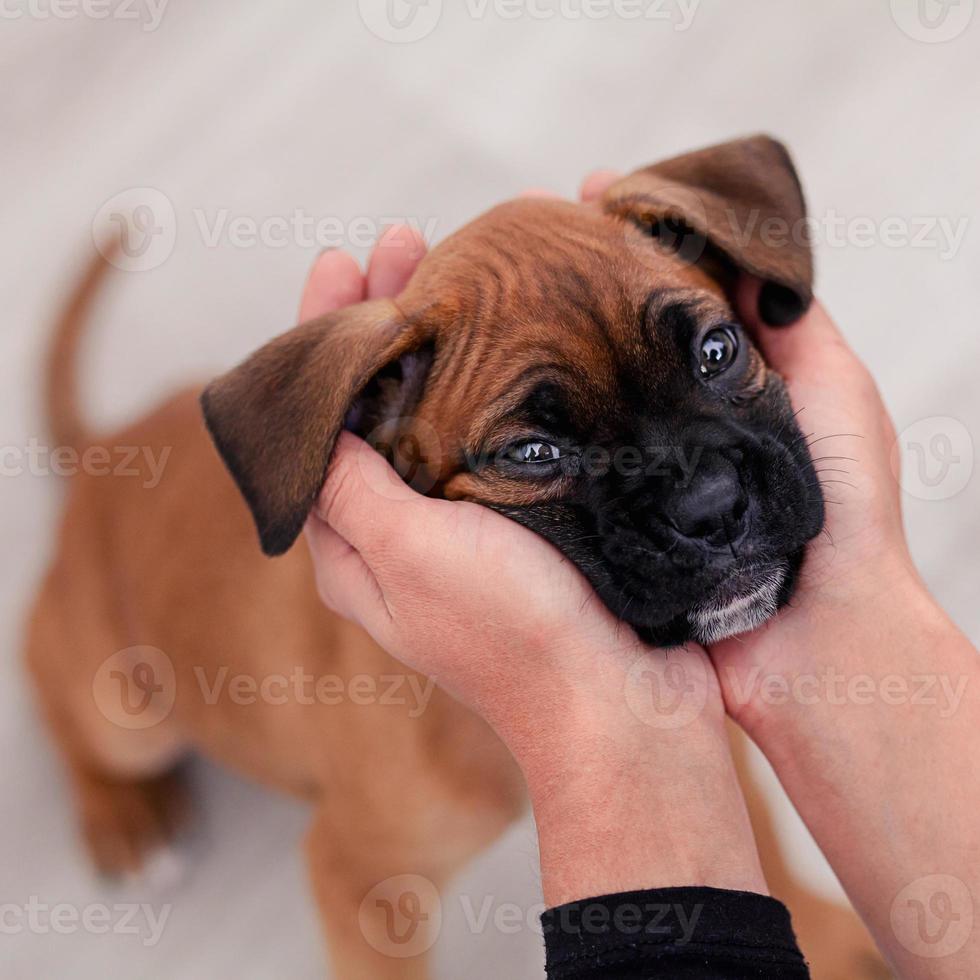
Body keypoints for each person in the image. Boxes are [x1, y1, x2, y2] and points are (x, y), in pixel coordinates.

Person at [300, 174, 980, 979]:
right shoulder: (409, 757)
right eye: (536, 451)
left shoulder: (679, 229)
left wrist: (852, 610)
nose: (708, 494)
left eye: (714, 353)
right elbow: (357, 880)